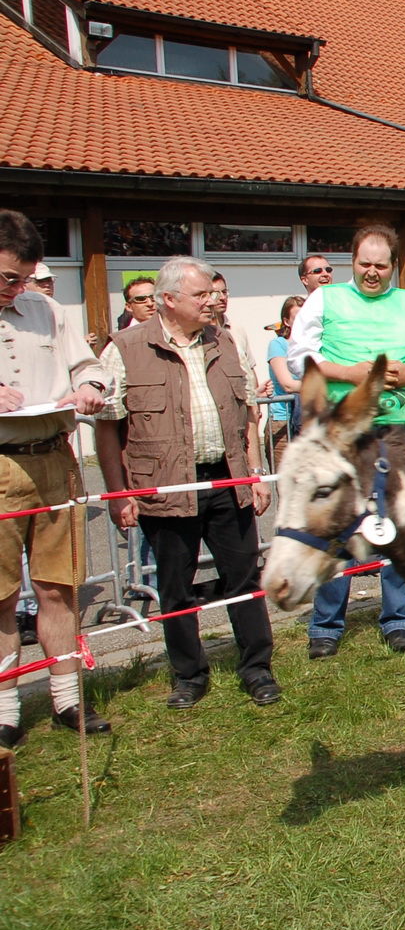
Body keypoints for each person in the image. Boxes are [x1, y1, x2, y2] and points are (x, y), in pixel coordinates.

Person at [94, 256, 279, 709]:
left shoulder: (228, 341)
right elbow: (107, 428)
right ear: (169, 300)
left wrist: (253, 473)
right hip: (165, 486)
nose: (213, 301)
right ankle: (189, 675)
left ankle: (257, 668)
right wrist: (120, 493)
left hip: (226, 480)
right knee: (176, 588)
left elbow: (247, 416)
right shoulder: (124, 349)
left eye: (214, 294)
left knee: (244, 580)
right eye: (201, 295)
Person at [288, 224, 405, 657]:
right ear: (352, 263)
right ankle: (325, 626)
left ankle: (396, 618)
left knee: (399, 523)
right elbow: (298, 355)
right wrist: (349, 373)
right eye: (364, 265)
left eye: (381, 266)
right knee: (334, 525)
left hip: (400, 429)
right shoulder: (326, 299)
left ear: (394, 267)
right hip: (344, 431)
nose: (372, 273)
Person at [0, 211, 113, 747]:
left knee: (58, 588)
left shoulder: (45, 308)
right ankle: (5, 710)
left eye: (24, 278)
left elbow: (87, 365)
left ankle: (68, 699)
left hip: (54, 458)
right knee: (0, 596)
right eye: (8, 279)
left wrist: (89, 385)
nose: (19, 289)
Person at [264, 295, 304, 460]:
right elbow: (288, 384)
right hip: (283, 422)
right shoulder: (279, 345)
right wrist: (322, 385)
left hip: (310, 421)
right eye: (298, 318)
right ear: (286, 321)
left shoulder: (317, 346)